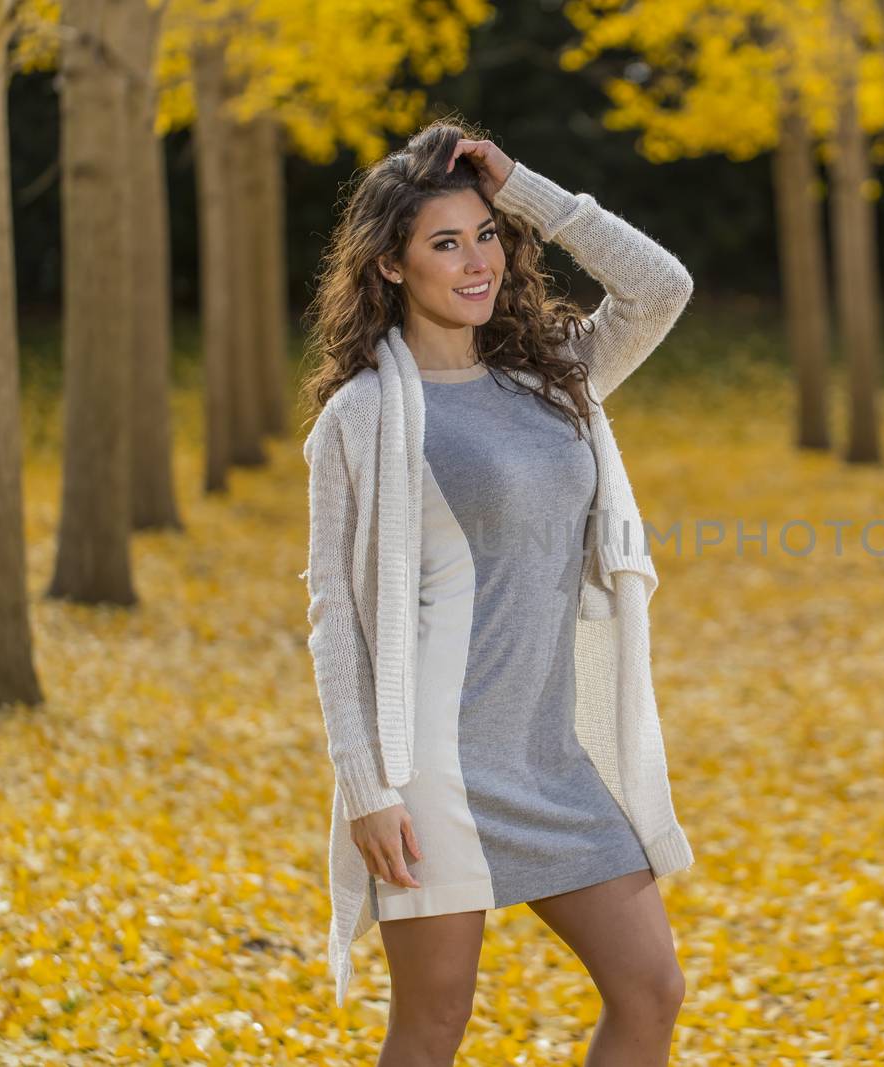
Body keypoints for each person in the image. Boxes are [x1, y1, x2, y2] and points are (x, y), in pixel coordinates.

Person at [297, 120, 697, 1066]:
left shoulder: (550, 374)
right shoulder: (360, 418)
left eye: (486, 234)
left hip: (550, 752)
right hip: (432, 762)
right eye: (445, 243)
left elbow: (661, 288)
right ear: (391, 266)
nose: (476, 261)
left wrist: (527, 191)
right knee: (432, 1024)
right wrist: (366, 784)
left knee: (650, 988)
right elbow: (334, 617)